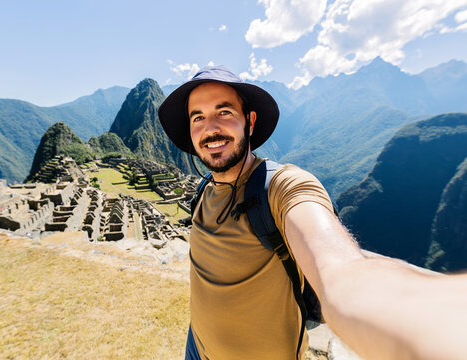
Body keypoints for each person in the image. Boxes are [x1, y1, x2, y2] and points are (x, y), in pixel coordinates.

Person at [158, 66, 467, 360]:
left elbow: (339, 272)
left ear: (249, 121)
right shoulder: (203, 191)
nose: (210, 128)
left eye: (224, 112)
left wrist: (438, 322)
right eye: (197, 117)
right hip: (196, 347)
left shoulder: (281, 187)